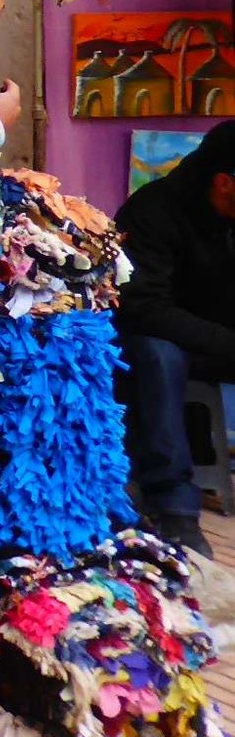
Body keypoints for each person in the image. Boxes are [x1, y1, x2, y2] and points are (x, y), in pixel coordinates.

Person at [117, 118, 235, 554]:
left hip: (217, 340)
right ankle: (174, 507)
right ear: (225, 182)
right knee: (158, 355)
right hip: (160, 341)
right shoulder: (153, 211)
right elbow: (143, 308)